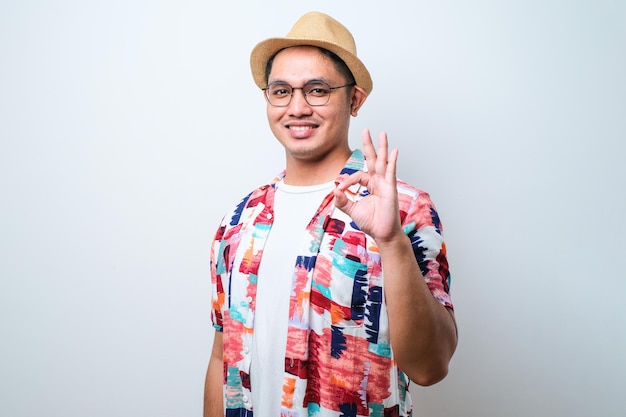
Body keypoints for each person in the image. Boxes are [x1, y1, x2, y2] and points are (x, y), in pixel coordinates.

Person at [204, 11, 457, 417]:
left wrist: (391, 242)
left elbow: (430, 367)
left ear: (354, 100)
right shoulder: (240, 220)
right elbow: (221, 358)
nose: (297, 107)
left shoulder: (406, 208)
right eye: (281, 91)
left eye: (317, 90)